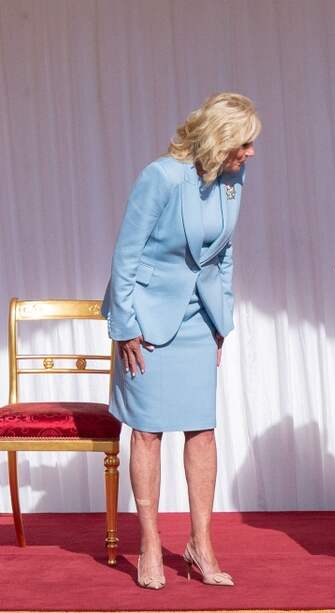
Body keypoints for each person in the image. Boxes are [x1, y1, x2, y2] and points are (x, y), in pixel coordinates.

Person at [102, 92, 261, 589]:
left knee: (202, 430)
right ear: (219, 139)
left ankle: (200, 543)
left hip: (198, 320)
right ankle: (150, 544)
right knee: (147, 432)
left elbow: (225, 255)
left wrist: (221, 320)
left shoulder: (234, 180)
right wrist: (124, 324)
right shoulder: (161, 176)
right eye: (244, 143)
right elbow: (126, 253)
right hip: (147, 317)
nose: (251, 153)